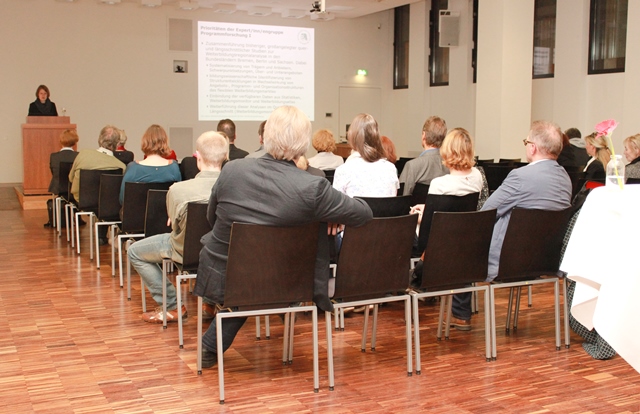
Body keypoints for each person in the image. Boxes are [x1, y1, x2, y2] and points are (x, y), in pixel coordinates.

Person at [193, 105, 373, 367]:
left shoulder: (232, 170)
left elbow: (212, 218)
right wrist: (330, 213)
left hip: (223, 272)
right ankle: (213, 343)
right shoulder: (312, 187)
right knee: (261, 272)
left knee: (254, 271)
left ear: (265, 137)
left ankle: (212, 345)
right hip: (286, 280)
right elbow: (364, 214)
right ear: (303, 145)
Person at [450, 120, 572, 331]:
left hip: (509, 261)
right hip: (546, 260)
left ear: (533, 147)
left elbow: (486, 214)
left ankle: (461, 316)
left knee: (463, 243)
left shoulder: (520, 177)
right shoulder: (565, 178)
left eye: (526, 142)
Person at [128, 131, 228, 323]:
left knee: (134, 251)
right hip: (222, 252)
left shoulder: (178, 190)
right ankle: (210, 302)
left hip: (185, 252)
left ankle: (172, 305)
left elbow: (175, 227)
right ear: (225, 157)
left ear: (197, 156)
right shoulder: (234, 189)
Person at [409, 128, 484, 292]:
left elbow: (426, 236)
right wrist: (428, 208)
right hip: (464, 246)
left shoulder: (439, 184)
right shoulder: (477, 177)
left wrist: (421, 217)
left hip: (438, 254)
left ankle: (418, 276)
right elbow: (457, 208)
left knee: (414, 224)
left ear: (447, 151)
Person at [333, 114, 399, 197]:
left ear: (352, 137)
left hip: (356, 210)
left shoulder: (343, 171)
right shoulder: (391, 169)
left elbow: (337, 207)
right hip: (386, 210)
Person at [119, 124, 181, 204]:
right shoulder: (173, 168)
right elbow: (177, 199)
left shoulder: (133, 168)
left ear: (145, 141)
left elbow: (122, 199)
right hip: (165, 216)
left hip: (137, 216)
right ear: (165, 142)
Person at [68, 125, 126, 204]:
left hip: (81, 200)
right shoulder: (121, 166)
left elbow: (71, 178)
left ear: (100, 139)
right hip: (108, 204)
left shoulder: (83, 154)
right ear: (117, 143)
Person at [399, 116, 449, 195]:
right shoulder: (450, 166)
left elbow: (402, 199)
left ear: (423, 135)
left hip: (415, 207)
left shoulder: (412, 166)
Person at [44, 129, 79, 228]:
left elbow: (54, 172)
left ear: (60, 141)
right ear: (75, 142)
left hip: (58, 188)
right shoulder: (78, 156)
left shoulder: (54, 156)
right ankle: (77, 217)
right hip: (73, 189)